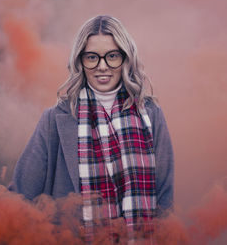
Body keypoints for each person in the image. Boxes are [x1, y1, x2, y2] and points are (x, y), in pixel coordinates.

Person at [9, 15, 174, 242]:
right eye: (92, 57)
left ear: (126, 59)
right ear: (80, 61)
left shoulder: (151, 114)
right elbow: (21, 195)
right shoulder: (56, 119)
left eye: (112, 56)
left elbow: (164, 198)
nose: (102, 66)